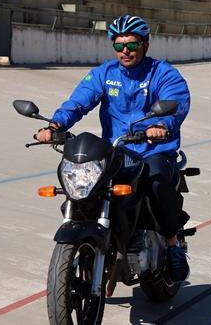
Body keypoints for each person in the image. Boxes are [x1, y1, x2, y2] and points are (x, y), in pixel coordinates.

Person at [34, 14, 191, 282]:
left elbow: (175, 101)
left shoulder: (163, 73)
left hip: (152, 150)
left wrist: (162, 124)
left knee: (156, 184)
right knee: (83, 188)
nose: (125, 51)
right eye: (119, 46)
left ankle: (173, 244)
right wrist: (55, 125)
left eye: (131, 44)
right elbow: (79, 101)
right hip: (116, 152)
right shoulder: (104, 74)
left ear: (145, 44)